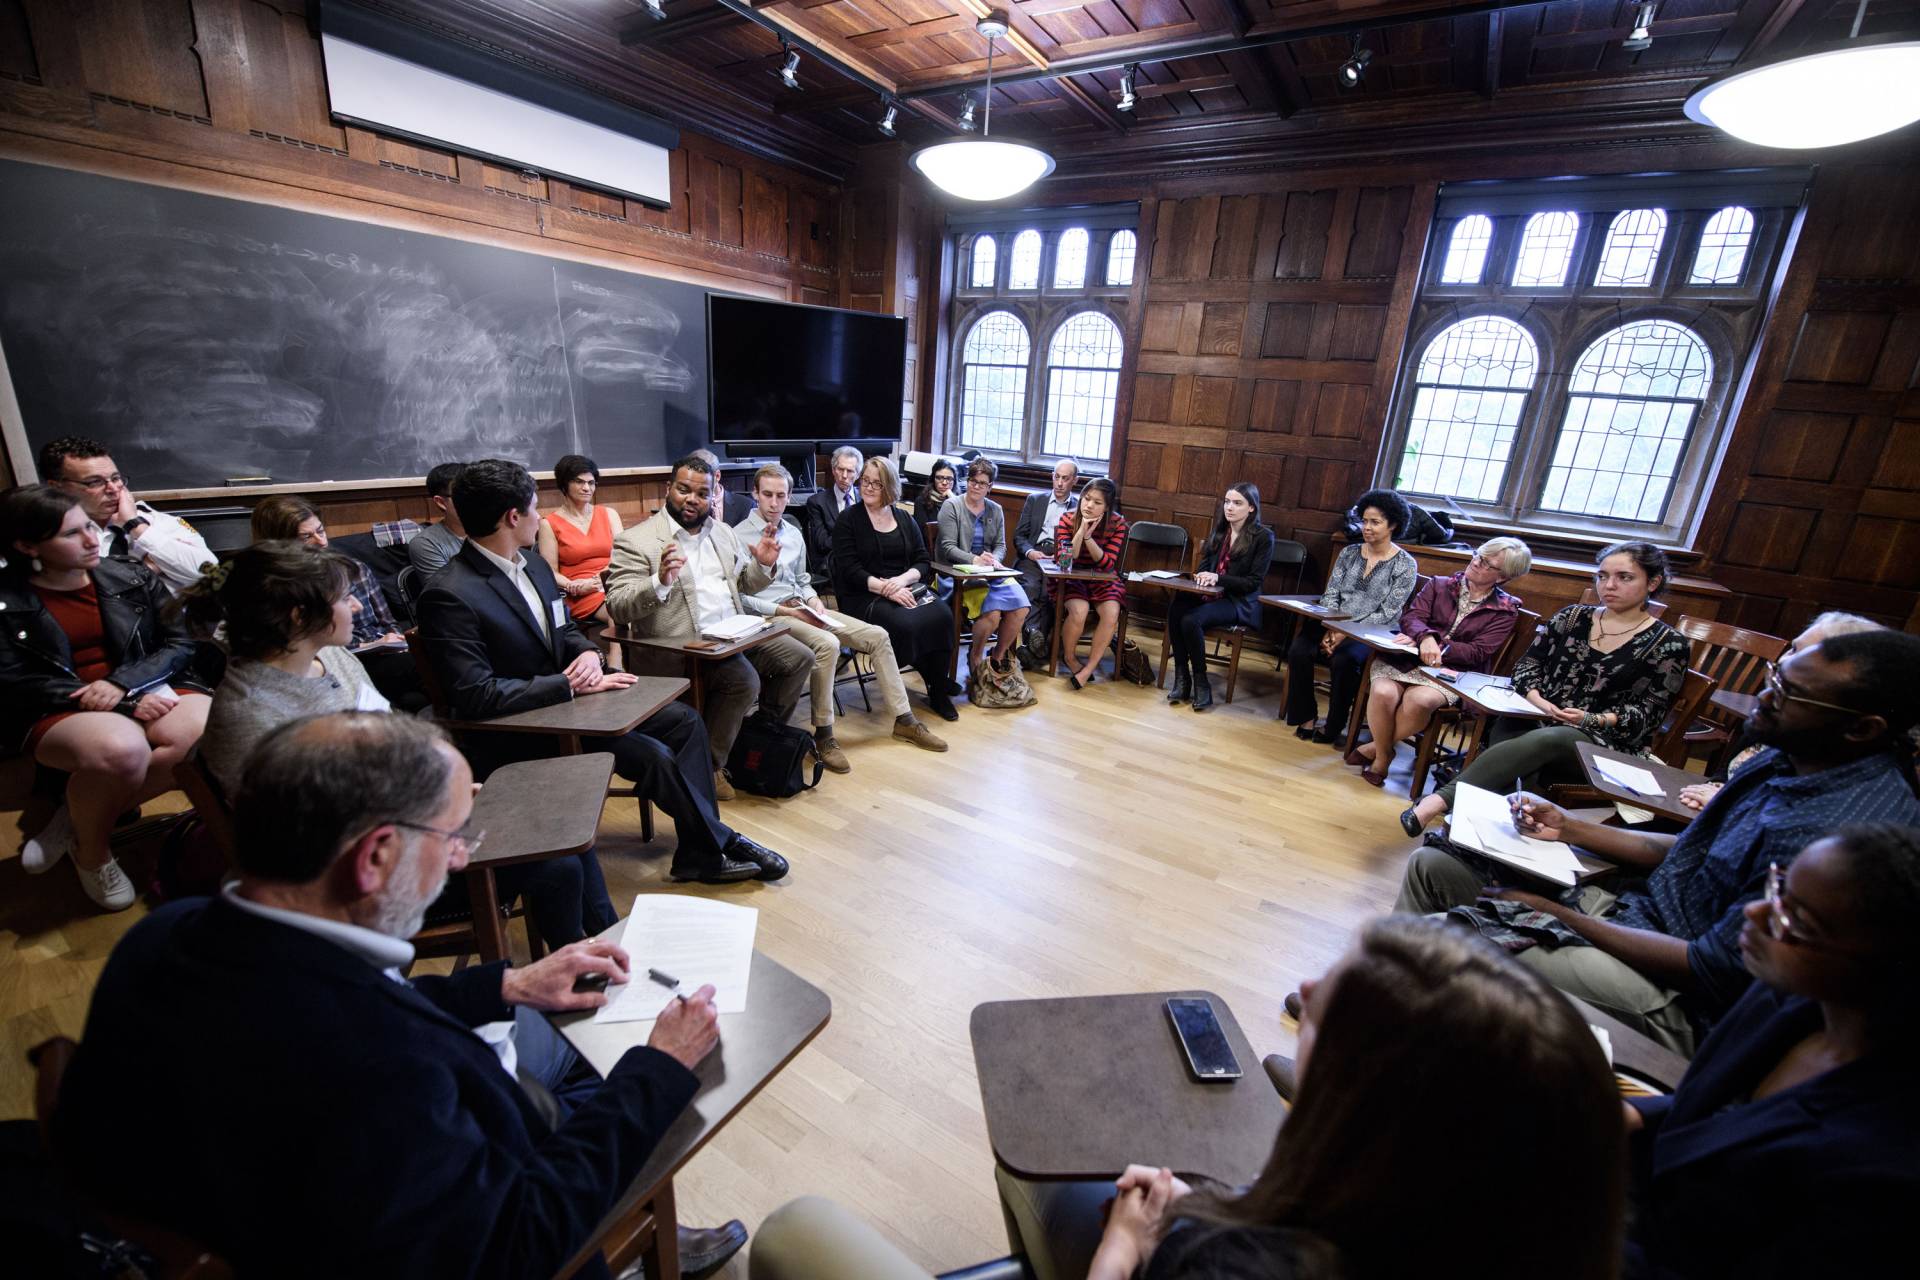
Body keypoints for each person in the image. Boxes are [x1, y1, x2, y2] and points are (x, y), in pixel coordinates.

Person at [51, 711, 750, 1280]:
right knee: (645, 1081)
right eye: (453, 836)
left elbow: (362, 1005)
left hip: (285, 1194)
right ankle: (635, 1241)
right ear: (375, 856)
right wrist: (659, 1067)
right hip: (472, 1227)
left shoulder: (165, 935)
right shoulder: (380, 1073)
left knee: (572, 1039)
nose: (461, 857)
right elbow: (517, 1244)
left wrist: (504, 983)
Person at [747, 917, 1624, 1280]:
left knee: (794, 1227)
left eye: (1331, 1000)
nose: (1304, 987)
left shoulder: (1236, 1264)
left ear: (1372, 1102)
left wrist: (1122, 1252)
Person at [1392, 629, 1920, 1054]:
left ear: (1863, 729)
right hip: (1636, 918)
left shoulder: (1833, 837)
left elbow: (1714, 969)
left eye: (1787, 694)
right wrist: (1570, 829)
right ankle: (1376, 1018)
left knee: (1458, 939)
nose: (1762, 698)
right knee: (1436, 867)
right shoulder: (1787, 759)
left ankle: (1381, 1059)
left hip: (1681, 997)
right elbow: (1691, 850)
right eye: (1774, 677)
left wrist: (1563, 917)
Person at [182, 540, 616, 949]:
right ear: (298, 617)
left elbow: (385, 743)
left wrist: (444, 795)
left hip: (406, 823)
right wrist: (435, 819)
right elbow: (315, 843)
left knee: (559, 818)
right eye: (342, 598)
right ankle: (587, 963)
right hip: (356, 881)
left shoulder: (329, 656)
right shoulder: (252, 716)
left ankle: (606, 944)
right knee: (555, 860)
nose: (356, 605)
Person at [414, 458, 786, 885]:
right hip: (526, 727)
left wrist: (588, 656)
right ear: (512, 517)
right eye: (535, 508)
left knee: (685, 723)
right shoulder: (449, 594)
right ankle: (718, 843)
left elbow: (566, 629)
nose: (541, 517)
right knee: (654, 755)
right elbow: (474, 695)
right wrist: (567, 686)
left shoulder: (532, 566)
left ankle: (700, 850)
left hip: (575, 702)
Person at [1626, 823, 1920, 1279]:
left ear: (1888, 972)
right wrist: (1639, 1116)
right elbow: (1718, 1117)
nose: (1757, 913)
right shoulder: (1787, 997)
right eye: (1779, 887)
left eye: (1796, 920)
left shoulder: (1884, 1169)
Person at [1, 484, 210, 910]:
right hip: (57, 701)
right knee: (121, 749)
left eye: (90, 527)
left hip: (137, 681)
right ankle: (93, 851)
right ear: (26, 544)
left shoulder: (128, 573)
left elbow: (180, 640)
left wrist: (124, 686)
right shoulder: (6, 597)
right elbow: (12, 678)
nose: (92, 539)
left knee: (204, 732)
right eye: (71, 534)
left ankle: (80, 817)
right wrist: (124, 703)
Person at [1401, 541, 1687, 835]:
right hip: (1538, 715)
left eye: (1624, 577)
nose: (1609, 585)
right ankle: (1480, 833)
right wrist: (1538, 699)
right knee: (1512, 730)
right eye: (1602, 576)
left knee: (1550, 739)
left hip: (1602, 742)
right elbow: (1527, 666)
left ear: (1653, 582)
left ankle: (1438, 803)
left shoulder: (1669, 644)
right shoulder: (1572, 617)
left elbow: (1648, 714)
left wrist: (1591, 719)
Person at [604, 454, 815, 799]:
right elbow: (618, 604)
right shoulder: (636, 541)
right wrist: (659, 581)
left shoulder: (722, 533)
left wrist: (763, 565)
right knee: (743, 680)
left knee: (799, 657)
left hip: (735, 634)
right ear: (668, 488)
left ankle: (754, 736)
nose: (692, 499)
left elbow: (743, 583)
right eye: (684, 490)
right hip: (684, 646)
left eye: (702, 493)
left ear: (713, 495)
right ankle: (710, 766)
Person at [734, 464, 948, 763]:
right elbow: (740, 598)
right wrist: (784, 610)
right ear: (755, 494)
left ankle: (905, 720)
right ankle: (824, 733)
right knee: (828, 644)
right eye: (767, 494)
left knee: (878, 636)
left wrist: (812, 600)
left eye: (781, 496)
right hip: (769, 616)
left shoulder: (793, 533)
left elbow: (802, 580)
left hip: (801, 605)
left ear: (788, 496)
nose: (774, 502)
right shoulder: (737, 536)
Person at [1348, 537, 1530, 786]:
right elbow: (1412, 617)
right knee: (1382, 693)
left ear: (1503, 577)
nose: (1476, 562)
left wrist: (1438, 645)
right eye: (1478, 555)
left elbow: (1478, 652)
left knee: (1419, 701)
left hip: (1452, 672)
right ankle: (1384, 752)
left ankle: (1377, 752)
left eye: (1487, 564)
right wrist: (1426, 638)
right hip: (1405, 659)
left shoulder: (1506, 609)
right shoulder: (1439, 585)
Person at [1678, 610, 1882, 811]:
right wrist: (1717, 787)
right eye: (1793, 648)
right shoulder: (1774, 716)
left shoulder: (1817, 753)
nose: (1785, 661)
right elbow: (1729, 771)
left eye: (1804, 655)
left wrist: (1727, 801)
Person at [250, 495, 426, 711]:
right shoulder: (278, 591)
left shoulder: (352, 568)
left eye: (321, 531)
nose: (321, 541)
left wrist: (393, 641)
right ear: (279, 544)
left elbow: (387, 621)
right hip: (353, 655)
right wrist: (369, 646)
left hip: (377, 651)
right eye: (306, 537)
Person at [1283, 488, 1419, 743]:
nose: (1367, 527)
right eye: (1365, 521)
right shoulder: (1348, 553)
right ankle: (1305, 715)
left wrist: (1346, 634)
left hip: (1371, 630)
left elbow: (1389, 611)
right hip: (1332, 621)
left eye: (1375, 522)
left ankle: (1335, 724)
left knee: (1344, 661)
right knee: (1299, 650)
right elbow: (1331, 594)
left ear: (1393, 525)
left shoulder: (1405, 564)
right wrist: (1330, 627)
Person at [830, 455, 959, 722]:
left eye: (876, 484)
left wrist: (900, 582)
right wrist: (887, 589)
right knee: (906, 623)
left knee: (943, 615)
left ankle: (937, 686)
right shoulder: (848, 520)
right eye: (865, 480)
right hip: (863, 595)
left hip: (903, 587)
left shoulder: (902, 517)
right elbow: (849, 571)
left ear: (889, 486)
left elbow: (923, 560)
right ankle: (929, 674)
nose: (867, 487)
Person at [38, 435, 216, 595]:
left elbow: (212, 576)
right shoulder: (50, 535)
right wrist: (146, 569)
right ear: (56, 487)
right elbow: (83, 593)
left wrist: (136, 526)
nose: (114, 489)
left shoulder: (156, 521)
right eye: (95, 482)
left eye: (116, 478)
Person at [1165, 484, 1275, 713]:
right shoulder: (1220, 531)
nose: (1230, 507)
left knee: (1190, 620)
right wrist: (1203, 577)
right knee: (1177, 608)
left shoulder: (1263, 537)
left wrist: (1218, 578)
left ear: (1251, 508)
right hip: (1212, 594)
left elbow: (1253, 582)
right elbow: (1204, 567)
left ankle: (1201, 682)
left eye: (1237, 503)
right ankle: (1182, 679)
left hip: (1240, 601)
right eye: (1227, 502)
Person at [936, 456, 1031, 683]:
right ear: (967, 481)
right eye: (972, 481)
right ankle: (975, 656)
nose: (976, 487)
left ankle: (996, 657)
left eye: (982, 483)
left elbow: (1000, 546)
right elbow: (947, 548)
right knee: (993, 614)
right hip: (957, 573)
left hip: (990, 572)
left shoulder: (995, 509)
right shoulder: (952, 506)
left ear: (990, 487)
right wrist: (975, 560)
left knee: (1022, 607)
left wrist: (993, 560)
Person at [536, 453, 623, 672]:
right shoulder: (549, 524)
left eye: (591, 482)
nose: (587, 488)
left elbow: (623, 555)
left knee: (629, 600)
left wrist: (605, 575)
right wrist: (573, 585)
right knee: (619, 609)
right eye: (579, 482)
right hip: (580, 592)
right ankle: (616, 664)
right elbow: (550, 571)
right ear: (564, 484)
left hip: (613, 579)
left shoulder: (609, 514)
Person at [1054, 477, 1129, 691]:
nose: (1088, 505)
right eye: (1086, 499)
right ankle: (1069, 657)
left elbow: (1107, 563)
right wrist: (1081, 532)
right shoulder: (1067, 519)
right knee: (1080, 610)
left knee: (1111, 613)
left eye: (1097, 502)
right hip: (1072, 576)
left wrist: (1089, 538)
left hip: (1102, 577)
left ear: (1106, 508)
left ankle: (1089, 668)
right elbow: (1066, 560)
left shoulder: (1118, 524)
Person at [1012, 458, 1079, 605]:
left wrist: (1062, 555)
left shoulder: (1079, 508)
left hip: (1060, 555)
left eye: (1065, 478)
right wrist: (1030, 552)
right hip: (1034, 552)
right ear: (1052, 476)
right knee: (1031, 587)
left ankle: (1039, 628)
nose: (1060, 483)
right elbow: (1019, 536)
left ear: (1074, 480)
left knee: (1048, 592)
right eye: (1057, 477)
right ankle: (1030, 628)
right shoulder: (1035, 500)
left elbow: (1076, 543)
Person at [802, 445, 864, 576]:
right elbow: (822, 543)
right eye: (840, 469)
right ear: (833, 470)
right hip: (832, 564)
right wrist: (856, 537)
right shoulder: (817, 502)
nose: (844, 476)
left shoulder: (866, 500)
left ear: (858, 474)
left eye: (850, 471)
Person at [408, 460, 469, 578]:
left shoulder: (496, 529)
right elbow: (449, 593)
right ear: (441, 502)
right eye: (465, 494)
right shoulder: (426, 544)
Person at [912, 457, 956, 527]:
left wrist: (954, 500)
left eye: (949, 479)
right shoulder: (921, 501)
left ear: (954, 481)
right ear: (933, 479)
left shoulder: (959, 501)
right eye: (939, 478)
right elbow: (923, 532)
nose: (944, 482)